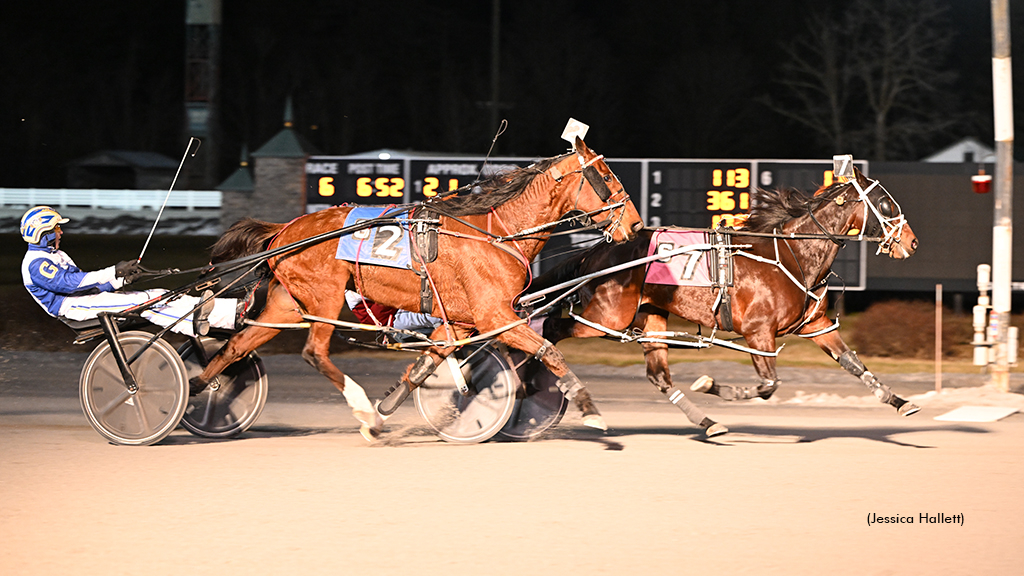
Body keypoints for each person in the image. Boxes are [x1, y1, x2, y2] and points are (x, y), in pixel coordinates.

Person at [20, 206, 240, 337]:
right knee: (149, 302)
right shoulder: (35, 262)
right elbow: (70, 284)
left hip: (85, 299)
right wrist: (113, 271)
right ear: (44, 233)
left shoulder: (57, 255)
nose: (60, 233)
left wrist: (120, 281)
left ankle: (230, 312)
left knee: (159, 293)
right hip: (72, 308)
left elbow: (88, 285)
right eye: (57, 228)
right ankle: (190, 323)